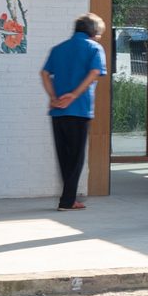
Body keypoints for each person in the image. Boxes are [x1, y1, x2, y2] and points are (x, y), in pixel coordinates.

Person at [41, 11, 107, 212]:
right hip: (79, 109)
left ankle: (67, 198)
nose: (99, 37)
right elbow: (94, 72)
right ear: (93, 32)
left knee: (64, 157)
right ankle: (67, 201)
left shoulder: (58, 49)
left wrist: (53, 97)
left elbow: (44, 73)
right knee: (76, 158)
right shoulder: (94, 48)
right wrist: (74, 95)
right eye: (99, 33)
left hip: (58, 111)